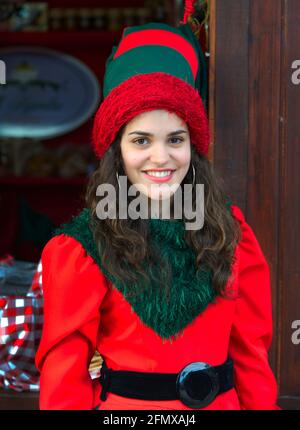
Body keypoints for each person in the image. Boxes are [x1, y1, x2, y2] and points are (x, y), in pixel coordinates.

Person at [35, 17, 279, 410]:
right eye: (141, 140)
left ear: (193, 147)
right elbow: (64, 376)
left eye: (176, 139)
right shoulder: (80, 248)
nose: (161, 157)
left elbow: (251, 353)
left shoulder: (230, 232)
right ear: (117, 150)